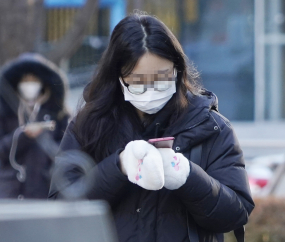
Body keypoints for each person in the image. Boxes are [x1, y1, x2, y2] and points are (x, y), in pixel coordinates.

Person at [48, 13, 254, 242]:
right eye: (137, 81)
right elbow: (61, 207)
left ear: (177, 70)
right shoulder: (88, 126)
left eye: (161, 77)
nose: (150, 89)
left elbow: (236, 214)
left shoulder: (211, 128)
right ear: (118, 77)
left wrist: (188, 176)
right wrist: (118, 166)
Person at [0, 53, 69, 199]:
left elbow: (67, 151)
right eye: (25, 80)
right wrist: (23, 135)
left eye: (34, 80)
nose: (29, 85)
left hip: (44, 192)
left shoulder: (58, 114)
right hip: (10, 193)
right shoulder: (5, 113)